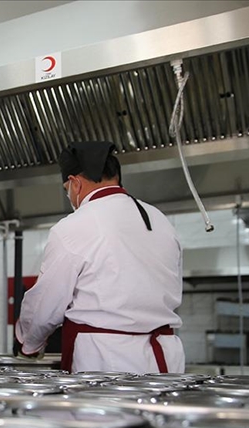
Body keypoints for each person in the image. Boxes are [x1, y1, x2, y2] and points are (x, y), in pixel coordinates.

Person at [15, 141, 185, 373]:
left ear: (75, 183)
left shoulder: (74, 226)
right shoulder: (160, 219)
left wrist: (29, 343)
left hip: (106, 360)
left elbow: (46, 302)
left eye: (66, 189)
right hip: (166, 359)